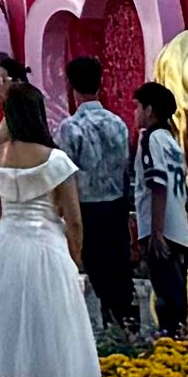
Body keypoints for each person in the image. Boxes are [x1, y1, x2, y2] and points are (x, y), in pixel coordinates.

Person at [0, 78, 103, 377]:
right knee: (53, 322)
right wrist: (76, 257)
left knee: (7, 322)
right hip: (47, 247)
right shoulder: (55, 161)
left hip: (7, 247)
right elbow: (74, 220)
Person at [58, 69, 139, 342]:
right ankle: (126, 326)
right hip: (116, 206)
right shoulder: (118, 123)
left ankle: (103, 331)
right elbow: (125, 169)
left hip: (87, 209)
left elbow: (66, 176)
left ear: (72, 89)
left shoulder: (70, 127)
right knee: (120, 269)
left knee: (95, 271)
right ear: (100, 85)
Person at [131, 76, 188, 340]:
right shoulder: (171, 141)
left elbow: (157, 185)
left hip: (162, 230)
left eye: (138, 107)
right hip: (178, 228)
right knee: (176, 297)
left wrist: (156, 232)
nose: (136, 113)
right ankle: (179, 341)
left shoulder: (150, 139)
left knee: (166, 300)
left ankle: (172, 346)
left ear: (149, 110)